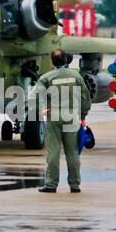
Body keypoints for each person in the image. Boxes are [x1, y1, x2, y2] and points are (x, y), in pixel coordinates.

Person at [35, 49, 92, 193]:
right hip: (71, 116)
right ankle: (75, 185)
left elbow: (36, 95)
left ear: (52, 61)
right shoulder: (76, 76)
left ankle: (51, 184)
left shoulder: (46, 77)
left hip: (54, 116)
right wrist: (83, 116)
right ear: (66, 59)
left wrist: (41, 110)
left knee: (53, 153)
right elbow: (85, 98)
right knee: (72, 152)